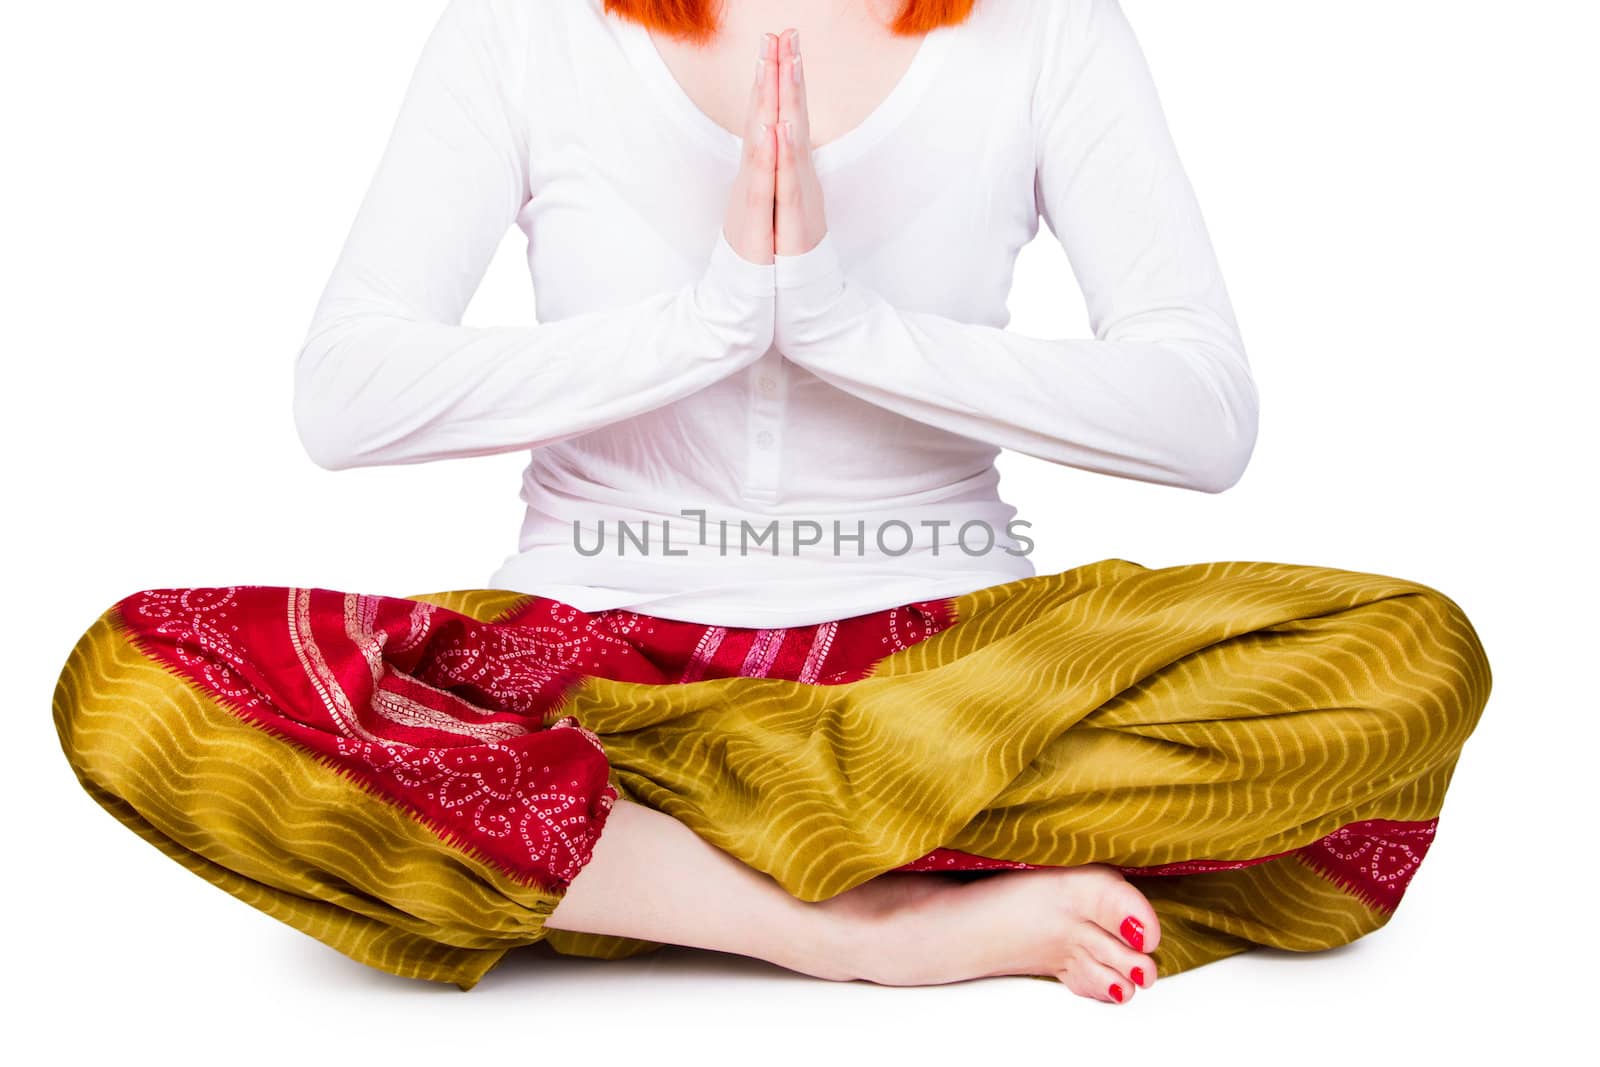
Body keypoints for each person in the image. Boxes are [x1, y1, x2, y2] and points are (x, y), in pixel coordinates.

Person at [50, 0, 1493, 1006]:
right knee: (136, 688)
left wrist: (842, 318)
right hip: (599, 678)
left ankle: (616, 873)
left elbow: (1205, 418)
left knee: (1410, 655)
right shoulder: (527, 24)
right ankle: (842, 920)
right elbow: (346, 397)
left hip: (953, 685)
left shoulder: (1048, 26)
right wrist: (719, 314)